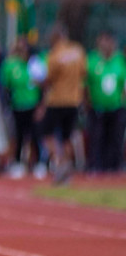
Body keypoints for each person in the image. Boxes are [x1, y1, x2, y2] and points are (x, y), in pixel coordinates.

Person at [41, 25, 87, 184]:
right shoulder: (78, 51)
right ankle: (67, 165)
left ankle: (60, 162)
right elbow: (83, 73)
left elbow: (49, 79)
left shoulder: (54, 55)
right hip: (74, 100)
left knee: (47, 133)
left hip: (57, 100)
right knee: (67, 137)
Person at [0, 37, 44, 179]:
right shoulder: (11, 65)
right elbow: (6, 86)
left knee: (35, 135)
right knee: (18, 135)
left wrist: (40, 105)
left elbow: (43, 85)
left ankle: (39, 163)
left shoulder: (35, 64)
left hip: (33, 105)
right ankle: (17, 163)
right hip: (17, 105)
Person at [86, 32, 125, 173]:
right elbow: (86, 84)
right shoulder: (92, 60)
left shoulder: (119, 60)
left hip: (116, 107)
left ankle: (114, 167)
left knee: (115, 138)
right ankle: (95, 166)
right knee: (97, 137)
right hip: (97, 107)